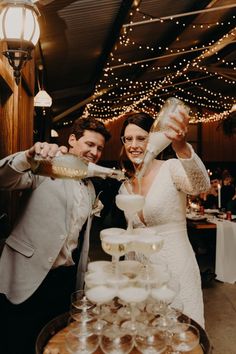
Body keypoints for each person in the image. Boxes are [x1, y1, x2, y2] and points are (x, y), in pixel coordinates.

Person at [0, 117, 111, 354]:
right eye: (90, 144)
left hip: (65, 281)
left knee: (54, 345)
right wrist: (27, 157)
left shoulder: (89, 187)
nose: (94, 152)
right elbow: (3, 180)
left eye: (100, 148)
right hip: (28, 274)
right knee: (17, 342)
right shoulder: (46, 166)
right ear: (72, 140)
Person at [117, 110, 210, 328]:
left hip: (176, 270)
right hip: (142, 276)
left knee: (181, 334)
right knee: (149, 338)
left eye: (141, 138)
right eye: (128, 139)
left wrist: (181, 146)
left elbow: (201, 185)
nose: (134, 145)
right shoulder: (125, 185)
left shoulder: (170, 168)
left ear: (153, 140)